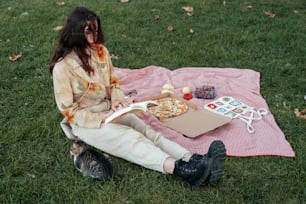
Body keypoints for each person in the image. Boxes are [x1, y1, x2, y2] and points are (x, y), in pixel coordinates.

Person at [50, 6, 226, 187]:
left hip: (111, 108)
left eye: (96, 30)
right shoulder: (63, 68)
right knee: (131, 139)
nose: (94, 36)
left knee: (148, 131)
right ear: (75, 33)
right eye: (88, 32)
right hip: (87, 123)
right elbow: (68, 111)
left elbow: (113, 83)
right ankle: (185, 171)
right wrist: (101, 118)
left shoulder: (101, 52)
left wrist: (117, 99)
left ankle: (194, 159)